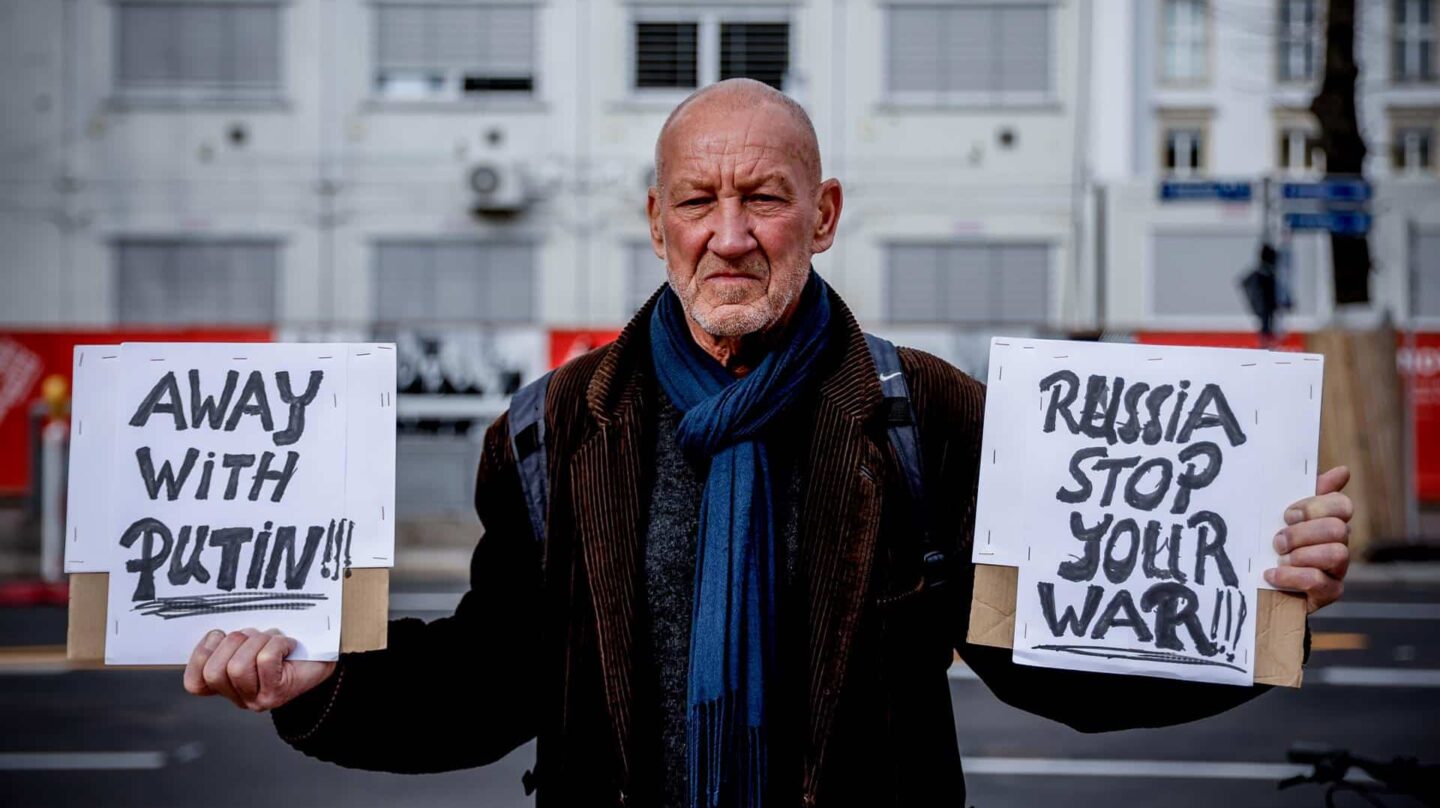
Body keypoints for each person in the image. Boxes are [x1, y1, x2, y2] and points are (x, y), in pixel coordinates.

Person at [183, 79, 1355, 808]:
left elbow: (1053, 658)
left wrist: (1248, 609)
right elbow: (490, 682)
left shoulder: (927, 414)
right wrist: (323, 686)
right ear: (655, 223)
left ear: (826, 214)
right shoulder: (549, 431)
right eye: (697, 200)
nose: (729, 236)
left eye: (766, 197)